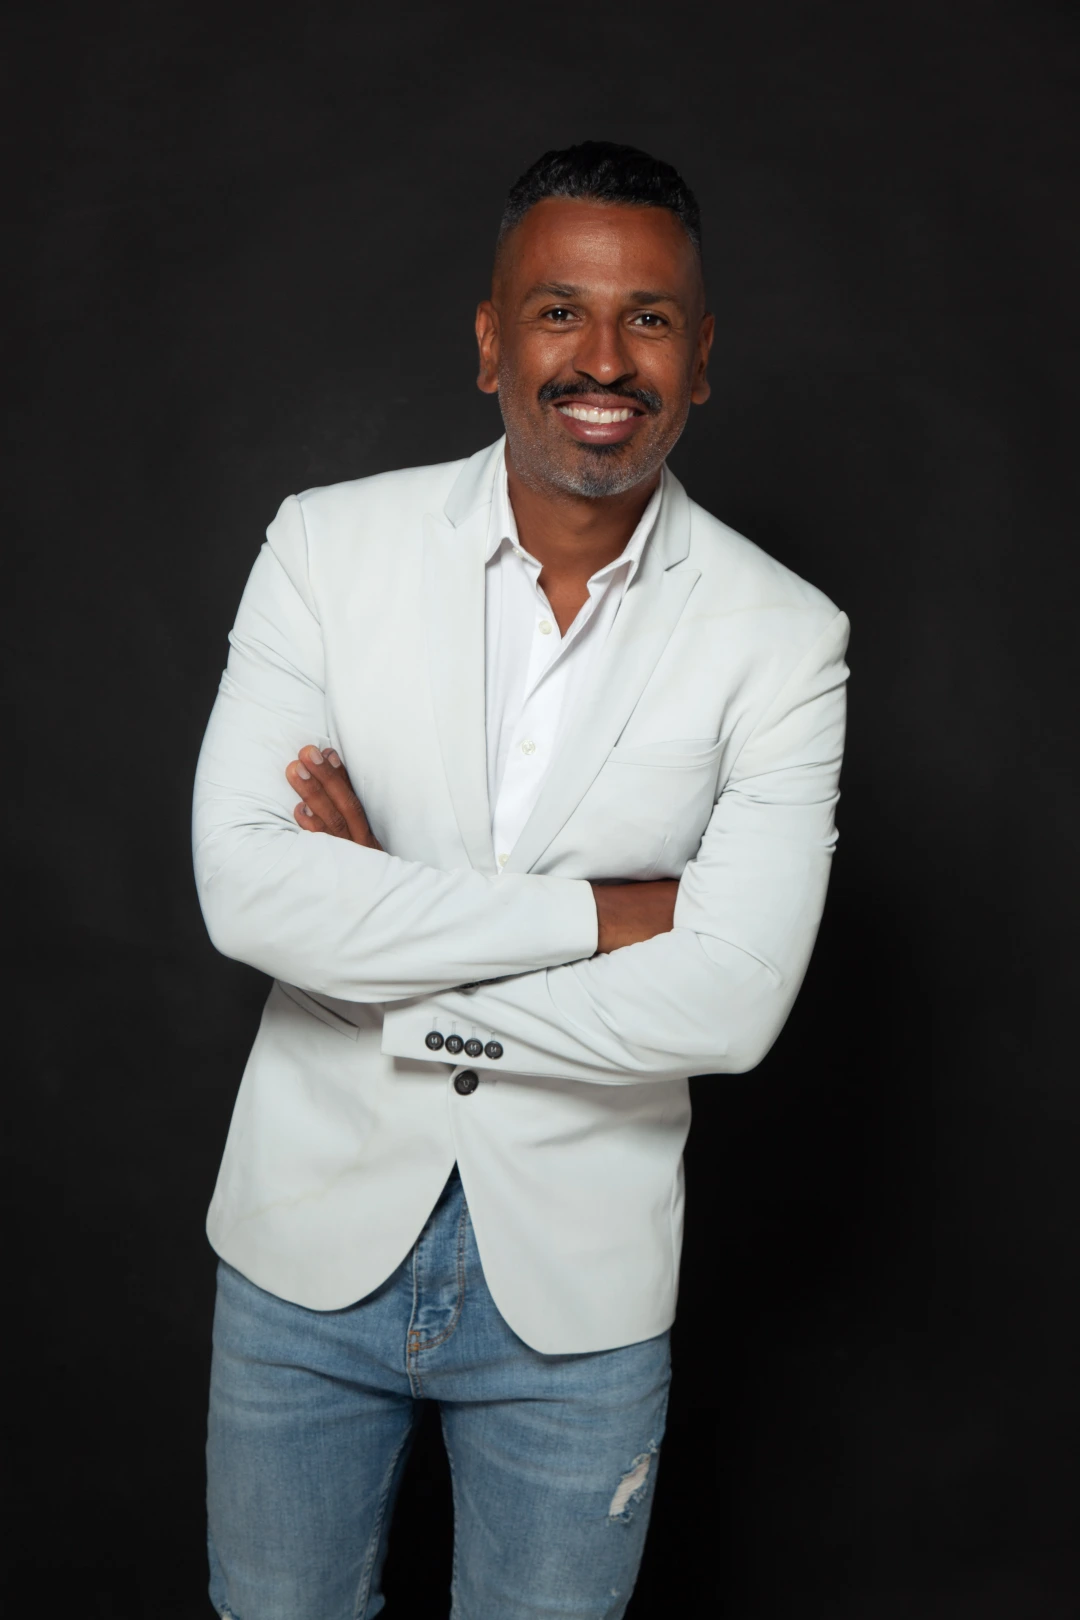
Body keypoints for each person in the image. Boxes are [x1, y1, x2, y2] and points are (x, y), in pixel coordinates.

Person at [192, 140, 850, 1620]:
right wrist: (606, 918)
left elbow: (732, 1002)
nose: (602, 358)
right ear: (492, 341)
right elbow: (247, 892)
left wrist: (382, 933)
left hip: (579, 1296)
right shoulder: (325, 548)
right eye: (560, 311)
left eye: (648, 319)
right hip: (302, 1253)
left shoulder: (784, 638)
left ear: (700, 360)